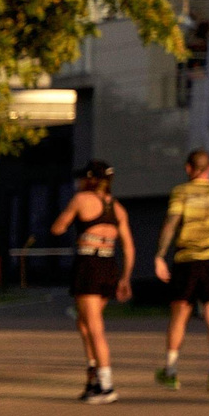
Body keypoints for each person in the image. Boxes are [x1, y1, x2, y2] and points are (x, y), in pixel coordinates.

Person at [154, 149, 209, 393]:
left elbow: (171, 224)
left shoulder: (181, 192)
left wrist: (160, 255)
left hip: (187, 260)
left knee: (179, 317)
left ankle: (170, 371)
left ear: (188, 169)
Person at [51, 159, 132, 403]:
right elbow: (128, 245)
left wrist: (67, 219)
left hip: (89, 264)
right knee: (84, 325)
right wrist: (126, 277)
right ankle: (93, 379)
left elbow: (58, 228)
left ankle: (106, 386)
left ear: (90, 179)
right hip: (109, 264)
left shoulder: (81, 200)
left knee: (94, 327)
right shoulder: (117, 208)